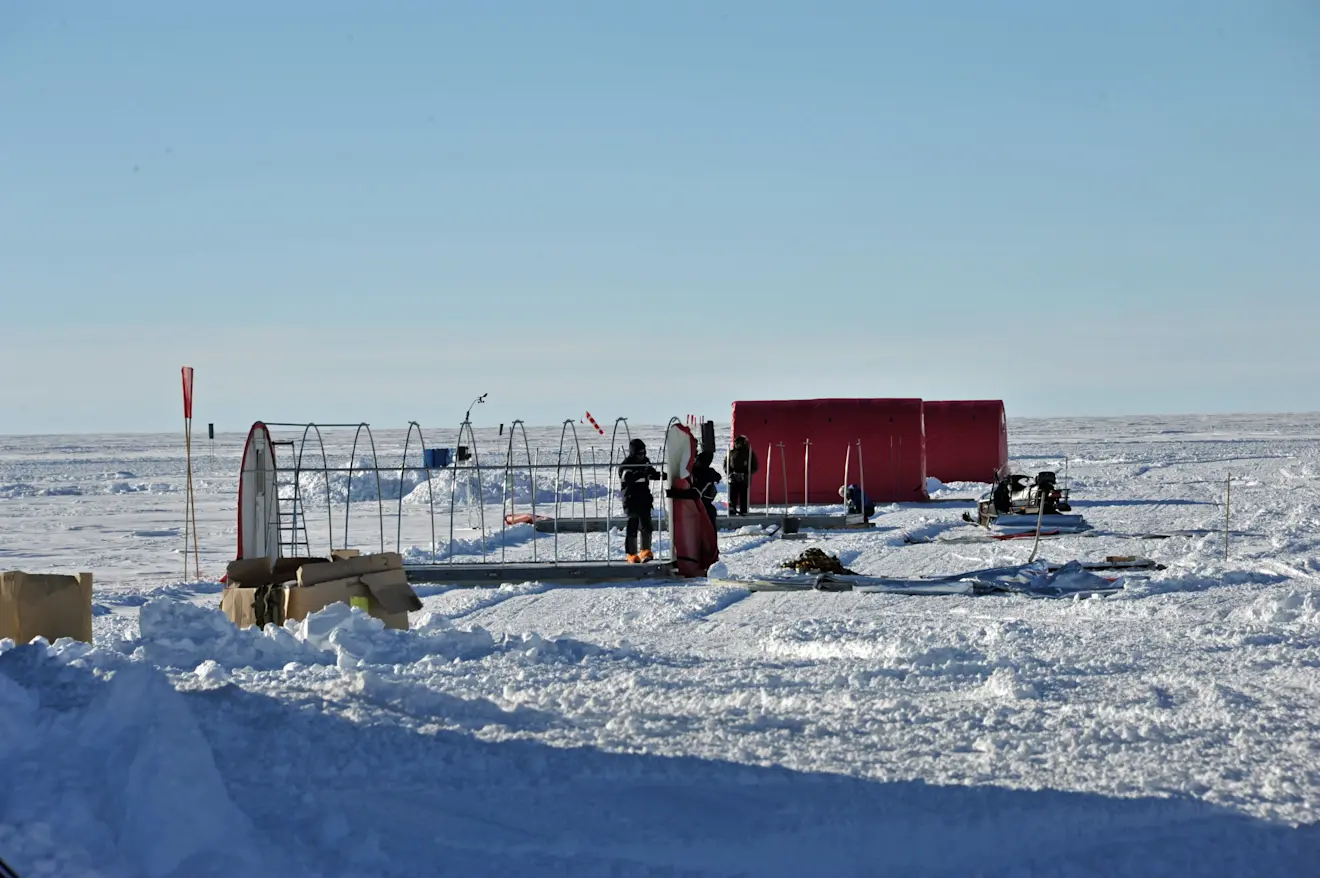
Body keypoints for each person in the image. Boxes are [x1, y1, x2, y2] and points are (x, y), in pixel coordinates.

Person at [619, 438, 663, 562]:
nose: (642, 456)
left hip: (644, 498)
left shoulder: (645, 462)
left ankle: (646, 550)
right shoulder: (626, 465)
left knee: (646, 525)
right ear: (633, 453)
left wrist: (661, 475)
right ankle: (631, 553)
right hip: (631, 498)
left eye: (643, 453)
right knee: (633, 524)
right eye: (639, 454)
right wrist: (641, 473)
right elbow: (628, 478)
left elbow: (652, 473)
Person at [723, 435, 758, 516]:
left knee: (743, 497)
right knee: (732, 497)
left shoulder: (749, 453)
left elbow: (754, 466)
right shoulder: (731, 453)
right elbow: (726, 464)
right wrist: (730, 473)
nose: (738, 444)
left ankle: (744, 511)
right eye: (736, 443)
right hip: (733, 478)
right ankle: (732, 511)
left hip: (744, 479)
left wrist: (746, 474)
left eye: (739, 442)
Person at [690, 449, 722, 530]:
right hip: (703, 508)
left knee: (706, 536)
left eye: (697, 460)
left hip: (704, 509)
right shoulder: (701, 472)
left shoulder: (705, 475)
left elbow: (696, 493)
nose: (695, 462)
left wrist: (674, 494)